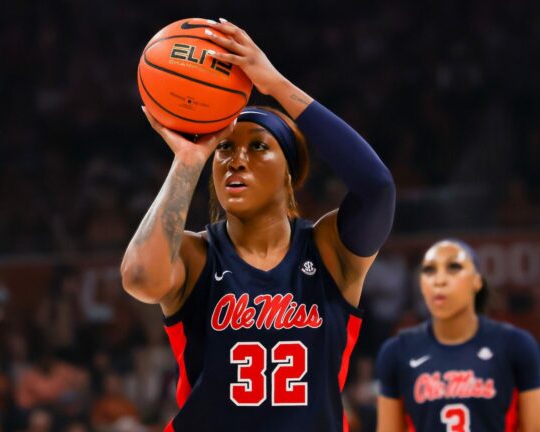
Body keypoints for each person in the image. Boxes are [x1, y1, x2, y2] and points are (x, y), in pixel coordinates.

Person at [121, 18, 395, 432]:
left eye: (259, 146)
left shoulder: (326, 250)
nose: (237, 158)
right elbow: (140, 278)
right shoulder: (196, 255)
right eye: (225, 147)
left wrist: (276, 86)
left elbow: (377, 189)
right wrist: (188, 161)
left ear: (289, 173)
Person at [375, 240, 540, 431]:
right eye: (429, 270)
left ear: (477, 281)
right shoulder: (397, 350)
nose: (439, 280)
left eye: (454, 267)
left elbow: (538, 428)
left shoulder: (515, 344)